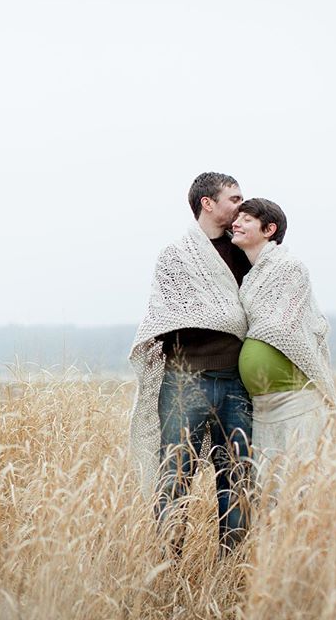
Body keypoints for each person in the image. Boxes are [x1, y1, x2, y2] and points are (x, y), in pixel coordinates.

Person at [129, 172, 252, 552]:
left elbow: (263, 306)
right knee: (174, 476)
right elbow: (164, 319)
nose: (241, 206)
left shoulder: (247, 252)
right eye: (234, 198)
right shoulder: (175, 256)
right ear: (207, 203)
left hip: (236, 379)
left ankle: (232, 569)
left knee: (238, 475)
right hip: (185, 379)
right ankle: (169, 567)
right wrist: (220, 317)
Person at [230, 198, 336, 481]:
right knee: (267, 483)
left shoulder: (289, 267)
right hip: (264, 403)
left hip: (295, 396)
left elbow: (286, 326)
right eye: (237, 218)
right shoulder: (250, 277)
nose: (237, 223)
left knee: (296, 480)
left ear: (269, 229)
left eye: (246, 218)